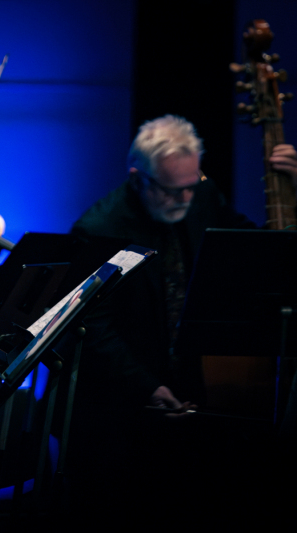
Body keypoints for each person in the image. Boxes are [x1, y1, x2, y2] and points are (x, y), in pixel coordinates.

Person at [67, 114, 297, 525]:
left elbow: (262, 251)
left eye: (194, 186)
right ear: (139, 179)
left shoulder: (201, 196)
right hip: (125, 410)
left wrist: (291, 189)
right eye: (175, 191)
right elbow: (95, 330)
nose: (187, 199)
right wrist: (147, 386)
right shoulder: (98, 229)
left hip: (197, 392)